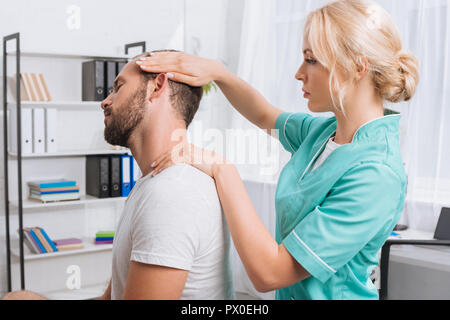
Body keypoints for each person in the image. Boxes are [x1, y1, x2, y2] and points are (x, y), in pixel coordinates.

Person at [138, 0, 419, 300]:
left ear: (358, 66)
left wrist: (223, 169)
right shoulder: (323, 134)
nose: (299, 73)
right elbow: (263, 115)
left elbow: (270, 273)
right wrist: (218, 73)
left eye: (311, 60)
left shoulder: (376, 175)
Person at [2, 51, 234, 300]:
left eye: (118, 87)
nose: (105, 101)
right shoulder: (150, 184)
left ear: (156, 87)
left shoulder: (171, 193)